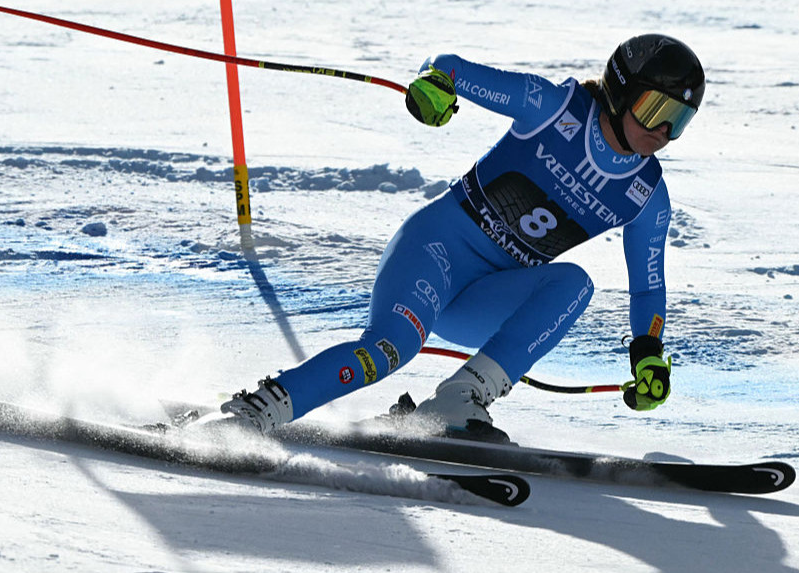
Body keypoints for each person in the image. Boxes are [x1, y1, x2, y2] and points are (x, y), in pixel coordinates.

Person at [220, 34, 704, 442]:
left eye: (678, 121)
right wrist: (434, 87)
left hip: (485, 298)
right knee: (390, 350)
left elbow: (647, 287)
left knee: (575, 283)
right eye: (654, 109)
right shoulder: (553, 107)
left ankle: (459, 398)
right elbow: (448, 67)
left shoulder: (647, 195)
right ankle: (253, 413)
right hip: (436, 252)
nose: (662, 130)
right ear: (621, 92)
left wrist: (648, 355)